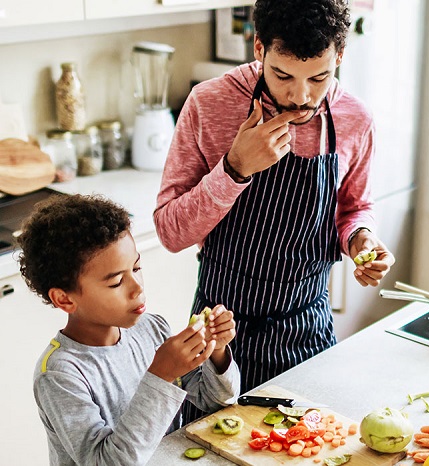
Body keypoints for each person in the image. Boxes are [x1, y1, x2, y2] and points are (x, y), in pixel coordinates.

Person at [154, 0, 395, 401]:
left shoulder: (355, 118)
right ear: (259, 48)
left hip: (307, 331)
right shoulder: (209, 104)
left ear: (340, 56)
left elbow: (353, 208)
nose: (300, 97)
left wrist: (361, 240)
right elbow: (170, 233)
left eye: (319, 78)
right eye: (283, 75)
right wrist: (233, 169)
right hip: (218, 337)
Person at [17, 194, 240, 466]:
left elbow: (216, 401)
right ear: (64, 299)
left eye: (137, 268)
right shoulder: (60, 374)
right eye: (116, 282)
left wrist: (216, 352)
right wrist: (162, 374)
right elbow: (107, 462)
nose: (138, 288)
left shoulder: (151, 329)